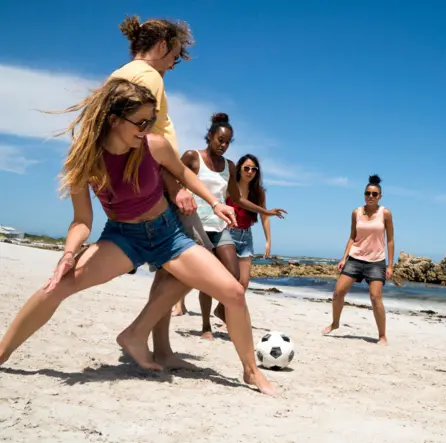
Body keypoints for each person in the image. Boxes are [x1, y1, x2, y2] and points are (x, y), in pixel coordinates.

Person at [0, 78, 276, 396]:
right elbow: (81, 220)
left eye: (149, 122)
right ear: (114, 119)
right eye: (140, 122)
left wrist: (215, 202)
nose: (146, 129)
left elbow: (184, 173)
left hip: (168, 234)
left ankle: (251, 372)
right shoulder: (85, 159)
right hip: (123, 237)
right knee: (57, 286)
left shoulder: (153, 145)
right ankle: (4, 351)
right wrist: (68, 254)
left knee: (233, 292)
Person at [108, 14, 201, 369]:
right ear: (162, 45)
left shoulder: (123, 73)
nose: (173, 65)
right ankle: (139, 334)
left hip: (141, 185)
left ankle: (161, 347)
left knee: (169, 269)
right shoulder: (148, 77)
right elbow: (144, 139)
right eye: (174, 56)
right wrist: (175, 187)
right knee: (188, 264)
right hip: (159, 187)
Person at [167, 114, 287, 340]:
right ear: (210, 136)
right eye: (220, 140)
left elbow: (237, 198)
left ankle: (221, 309)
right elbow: (172, 178)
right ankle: (205, 326)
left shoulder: (229, 166)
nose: (223, 145)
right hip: (195, 227)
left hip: (219, 227)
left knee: (232, 278)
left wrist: (265, 211)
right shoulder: (193, 157)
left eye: (227, 142)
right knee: (206, 278)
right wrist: (177, 197)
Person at [322, 174, 394, 345]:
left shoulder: (385, 213)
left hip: (376, 261)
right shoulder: (356, 213)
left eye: (374, 194)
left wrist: (390, 265)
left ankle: (382, 335)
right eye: (367, 193)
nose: (370, 196)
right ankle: (335, 323)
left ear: (380, 196)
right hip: (355, 258)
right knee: (338, 292)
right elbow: (352, 237)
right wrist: (344, 257)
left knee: (375, 297)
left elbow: (390, 239)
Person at [225, 154, 274, 290]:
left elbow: (264, 216)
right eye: (246, 168)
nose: (250, 172)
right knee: (230, 279)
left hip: (246, 237)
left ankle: (222, 310)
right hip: (228, 235)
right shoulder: (229, 187)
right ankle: (224, 309)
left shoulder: (258, 192)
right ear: (239, 169)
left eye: (254, 169)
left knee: (244, 282)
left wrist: (268, 241)